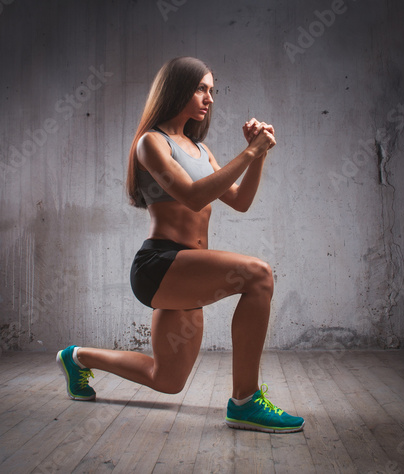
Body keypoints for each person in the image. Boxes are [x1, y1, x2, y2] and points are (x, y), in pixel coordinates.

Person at [57, 57, 304, 433]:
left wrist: (259, 153)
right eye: (201, 88)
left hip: (187, 273)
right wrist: (250, 152)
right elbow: (190, 196)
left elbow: (239, 201)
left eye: (212, 90)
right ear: (176, 89)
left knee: (167, 379)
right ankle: (245, 402)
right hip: (159, 265)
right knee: (258, 275)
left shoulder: (201, 150)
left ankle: (76, 357)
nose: (210, 98)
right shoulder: (151, 143)